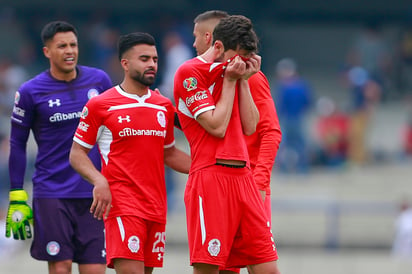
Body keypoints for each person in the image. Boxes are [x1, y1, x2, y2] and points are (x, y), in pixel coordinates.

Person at [69, 32, 191, 273]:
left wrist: (209, 166)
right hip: (123, 204)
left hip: (156, 205)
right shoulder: (101, 105)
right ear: (125, 64)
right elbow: (76, 154)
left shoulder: (163, 106)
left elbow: (169, 153)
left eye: (155, 59)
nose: (152, 65)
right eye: (144, 59)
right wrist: (99, 180)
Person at [174, 15, 280, 274]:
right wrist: (233, 80)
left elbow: (252, 126)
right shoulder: (190, 73)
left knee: (268, 267)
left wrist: (242, 79)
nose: (241, 64)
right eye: (239, 57)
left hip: (245, 179)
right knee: (211, 268)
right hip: (211, 177)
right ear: (220, 47)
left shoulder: (238, 74)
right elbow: (217, 126)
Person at [5, 21, 112, 273]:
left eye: (73, 45)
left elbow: (115, 130)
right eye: (61, 46)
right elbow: (17, 143)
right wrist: (17, 193)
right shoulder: (30, 91)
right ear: (47, 52)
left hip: (94, 192)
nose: (69, 51)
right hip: (52, 191)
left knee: (95, 269)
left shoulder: (99, 81)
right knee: (61, 266)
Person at [275, 58, 312, 173]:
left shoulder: (284, 87)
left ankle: (284, 169)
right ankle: (303, 168)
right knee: (299, 144)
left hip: (287, 118)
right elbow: (308, 102)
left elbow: (280, 104)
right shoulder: (302, 84)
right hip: (298, 118)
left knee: (284, 145)